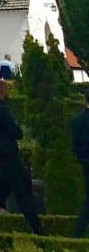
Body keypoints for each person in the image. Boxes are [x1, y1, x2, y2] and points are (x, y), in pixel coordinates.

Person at [0, 78, 43, 234]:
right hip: (8, 159)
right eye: (7, 90)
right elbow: (16, 132)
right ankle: (38, 230)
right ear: (1, 90)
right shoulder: (0, 109)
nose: (9, 93)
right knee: (24, 191)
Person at [72, 90, 89, 238]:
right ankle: (77, 233)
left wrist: (80, 159)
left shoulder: (77, 119)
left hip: (86, 163)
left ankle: (77, 233)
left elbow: (75, 145)